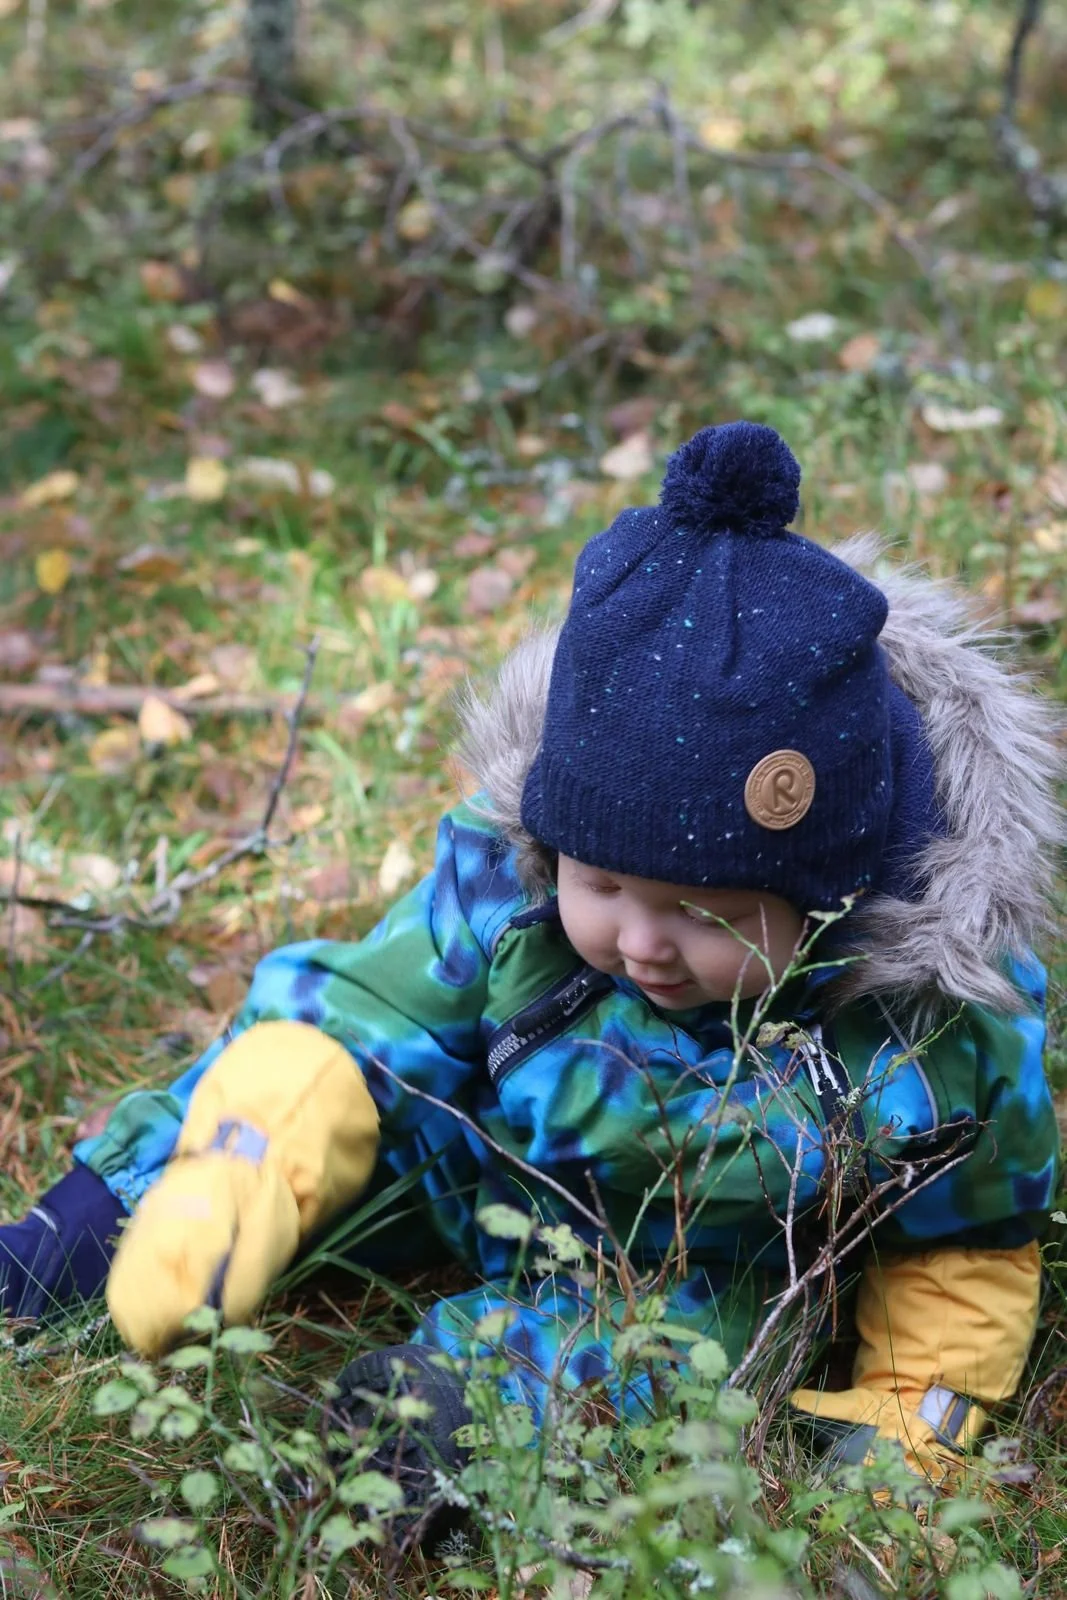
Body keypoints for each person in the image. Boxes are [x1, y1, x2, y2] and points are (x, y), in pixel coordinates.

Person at [2, 422, 1060, 1522]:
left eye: (706, 915)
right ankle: (103, 1226)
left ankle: (464, 1414)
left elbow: (968, 1245)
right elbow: (361, 1015)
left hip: (692, 1246)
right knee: (293, 1084)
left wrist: (906, 1421)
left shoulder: (931, 1032)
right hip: (484, 1157)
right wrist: (259, 1138)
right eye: (600, 886)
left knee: (692, 1336)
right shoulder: (512, 887)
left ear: (830, 890)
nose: (642, 942)